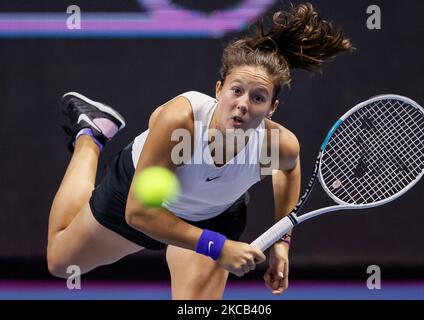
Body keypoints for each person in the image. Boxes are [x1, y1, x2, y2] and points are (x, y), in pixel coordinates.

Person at [47, 3, 353, 299]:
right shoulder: (181, 120)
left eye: (258, 98)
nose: (243, 104)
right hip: (138, 201)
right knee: (61, 263)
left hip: (213, 218)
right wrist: (219, 248)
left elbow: (288, 168)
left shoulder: (278, 144)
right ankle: (93, 134)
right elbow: (139, 213)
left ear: (272, 108)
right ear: (218, 90)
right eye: (236, 90)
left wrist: (281, 244)